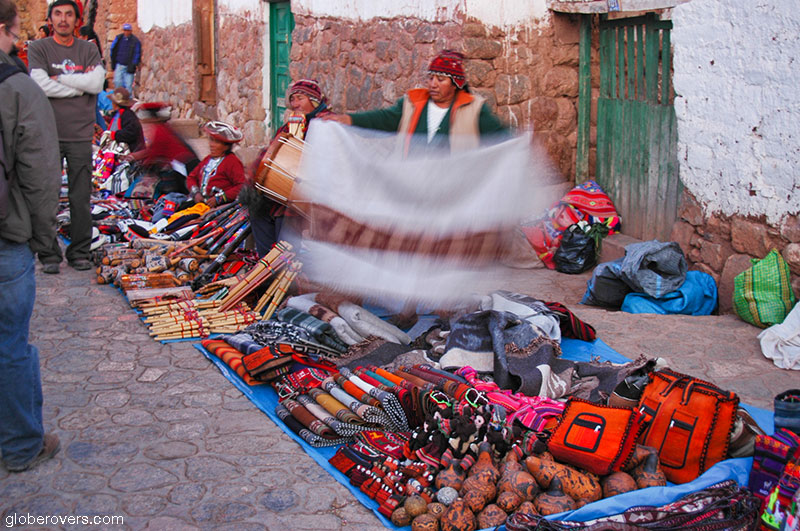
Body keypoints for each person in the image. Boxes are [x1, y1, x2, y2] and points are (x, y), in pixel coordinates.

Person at [0, 0, 63, 472]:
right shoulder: (16, 88)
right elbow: (41, 172)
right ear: (6, 30)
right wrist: (45, 241)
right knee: (8, 345)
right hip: (4, 237)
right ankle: (21, 444)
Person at [27, 0, 105, 274]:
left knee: (80, 196)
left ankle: (80, 252)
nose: (63, 19)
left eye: (68, 14)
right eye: (58, 14)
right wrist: (77, 84)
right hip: (46, 134)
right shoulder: (39, 48)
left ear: (76, 20)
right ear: (50, 19)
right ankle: (48, 255)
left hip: (80, 134)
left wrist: (58, 79)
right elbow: (38, 83)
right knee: (46, 196)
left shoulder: (88, 49)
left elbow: (96, 83)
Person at [325, 49, 507, 152]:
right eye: (431, 78)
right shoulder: (413, 104)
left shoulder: (472, 109)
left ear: (455, 85)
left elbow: (500, 136)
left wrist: (522, 144)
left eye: (441, 80)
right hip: (414, 187)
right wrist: (349, 119)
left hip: (453, 193)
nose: (433, 84)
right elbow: (384, 119)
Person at [241, 79, 333, 257]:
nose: (295, 104)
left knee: (288, 218)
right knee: (258, 210)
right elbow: (271, 151)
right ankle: (266, 266)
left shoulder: (327, 125)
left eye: (300, 98)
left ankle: (284, 269)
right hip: (281, 194)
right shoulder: (289, 126)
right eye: (293, 99)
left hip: (307, 196)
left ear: (314, 100)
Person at [128, 101, 199, 196]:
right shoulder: (162, 128)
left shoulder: (159, 131)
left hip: (183, 165)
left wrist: (137, 158)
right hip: (183, 162)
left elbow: (154, 152)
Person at [186, 121, 245, 208]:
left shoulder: (232, 162)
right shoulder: (207, 160)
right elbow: (191, 177)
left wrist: (219, 199)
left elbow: (241, 186)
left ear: (226, 146)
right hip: (201, 205)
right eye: (211, 140)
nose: (211, 145)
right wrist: (196, 193)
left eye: (216, 142)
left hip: (219, 207)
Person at [105, 86, 143, 151]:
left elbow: (131, 133)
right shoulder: (119, 114)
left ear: (115, 104)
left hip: (129, 150)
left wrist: (114, 135)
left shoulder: (128, 115)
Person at [109, 22, 140, 94]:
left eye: (127, 30)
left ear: (130, 31)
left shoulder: (135, 41)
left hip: (129, 65)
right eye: (125, 30)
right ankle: (118, 98)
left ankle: (127, 101)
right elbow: (113, 48)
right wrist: (113, 61)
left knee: (128, 85)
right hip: (119, 64)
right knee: (117, 81)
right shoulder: (119, 38)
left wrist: (134, 64)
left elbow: (137, 53)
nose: (126, 32)